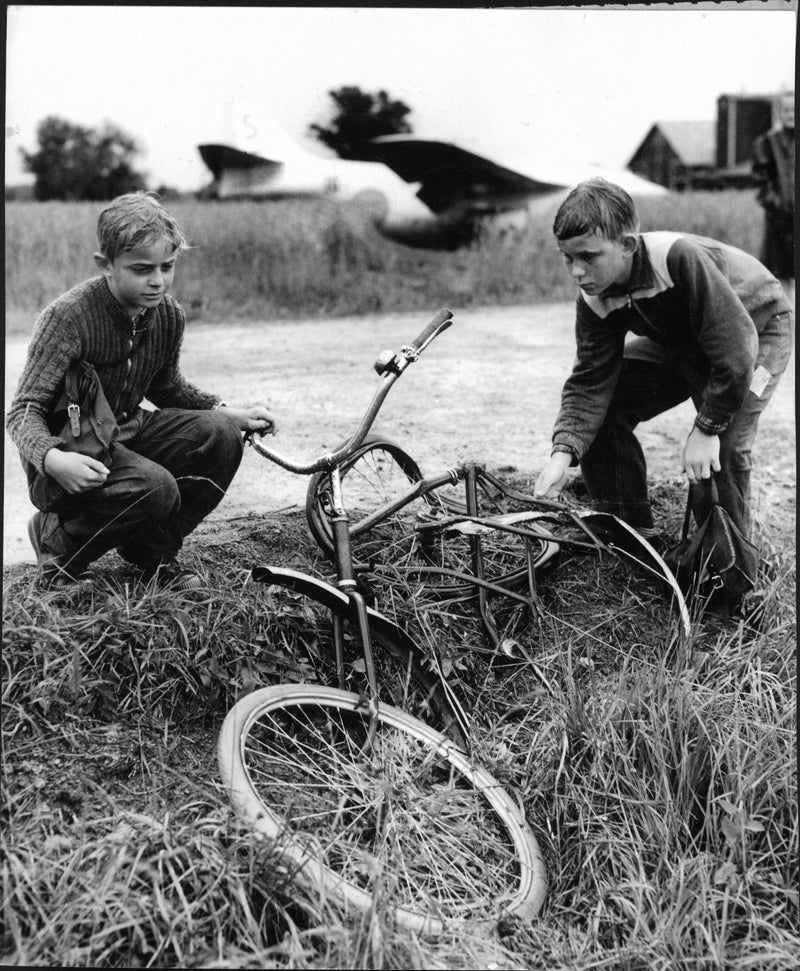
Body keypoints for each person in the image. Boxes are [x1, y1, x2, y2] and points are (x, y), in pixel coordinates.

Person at [7, 191, 277, 591]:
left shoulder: (167, 314)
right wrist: (53, 460)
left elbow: (167, 387)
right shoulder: (67, 317)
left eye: (167, 266)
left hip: (127, 434)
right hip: (74, 448)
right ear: (106, 266)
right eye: (141, 269)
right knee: (155, 487)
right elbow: (22, 410)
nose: (157, 281)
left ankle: (153, 554)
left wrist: (226, 411)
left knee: (221, 436)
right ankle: (57, 545)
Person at [533, 178, 793, 574]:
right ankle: (628, 532)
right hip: (683, 337)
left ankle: (726, 579)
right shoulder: (594, 295)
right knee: (605, 411)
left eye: (588, 256)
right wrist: (562, 454)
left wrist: (706, 428)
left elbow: (736, 352)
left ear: (628, 246)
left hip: (756, 328)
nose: (577, 271)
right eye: (567, 258)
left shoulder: (677, 259)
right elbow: (590, 381)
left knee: (723, 448)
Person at [752, 91, 795, 305]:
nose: (791, 114)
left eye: (794, 109)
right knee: (781, 275)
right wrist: (776, 204)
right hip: (779, 220)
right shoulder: (767, 143)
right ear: (779, 113)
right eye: (786, 110)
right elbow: (762, 183)